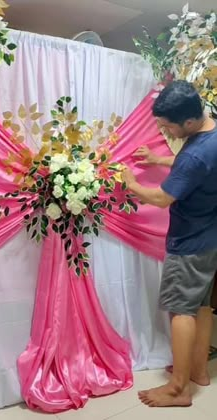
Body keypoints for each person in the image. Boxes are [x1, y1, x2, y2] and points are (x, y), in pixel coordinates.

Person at [122, 80, 217, 408]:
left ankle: (178, 389)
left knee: (181, 311)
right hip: (209, 238)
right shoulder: (210, 135)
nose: (164, 131)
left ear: (189, 122)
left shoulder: (193, 153)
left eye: (167, 126)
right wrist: (160, 161)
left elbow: (162, 197)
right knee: (201, 306)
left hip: (189, 243)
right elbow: (198, 169)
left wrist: (131, 184)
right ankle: (199, 372)